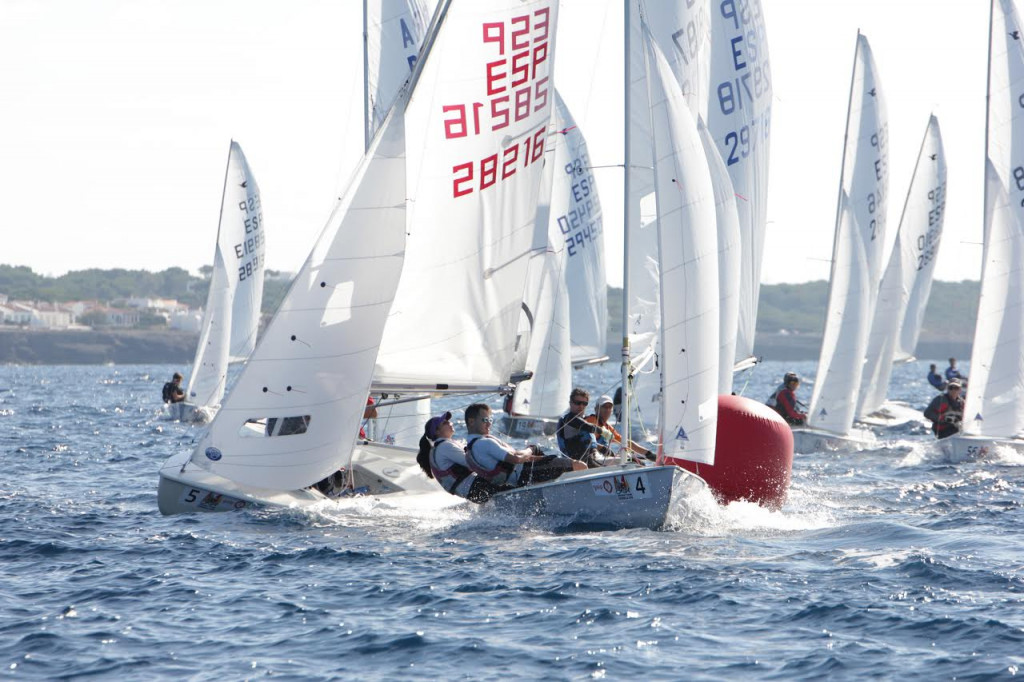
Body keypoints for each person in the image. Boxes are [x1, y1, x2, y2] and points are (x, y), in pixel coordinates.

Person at [463, 402, 584, 488]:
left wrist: (538, 456)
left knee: (550, 458)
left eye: (490, 420)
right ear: (471, 421)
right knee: (580, 465)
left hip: (518, 476)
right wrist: (530, 450)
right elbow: (516, 458)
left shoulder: (471, 447)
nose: (489, 424)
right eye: (485, 420)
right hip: (524, 474)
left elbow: (512, 459)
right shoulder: (485, 443)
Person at [416, 410, 509, 503]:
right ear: (437, 431)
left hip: (472, 490)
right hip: (476, 487)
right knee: (512, 480)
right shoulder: (444, 447)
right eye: (445, 423)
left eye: (449, 421)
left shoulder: (441, 447)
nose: (450, 423)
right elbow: (471, 462)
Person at [584, 395, 657, 462]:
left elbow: (626, 442)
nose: (607, 410)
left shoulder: (608, 427)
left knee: (635, 461)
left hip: (598, 459)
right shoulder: (591, 421)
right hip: (587, 459)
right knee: (630, 461)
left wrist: (648, 454)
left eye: (610, 407)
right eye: (604, 407)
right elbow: (587, 441)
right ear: (596, 409)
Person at [555, 387, 612, 467]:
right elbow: (585, 426)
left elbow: (583, 440)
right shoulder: (568, 419)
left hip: (590, 459)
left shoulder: (583, 420)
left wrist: (602, 448)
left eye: (584, 404)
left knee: (626, 459)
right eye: (578, 403)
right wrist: (602, 431)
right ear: (570, 403)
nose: (581, 406)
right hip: (576, 464)